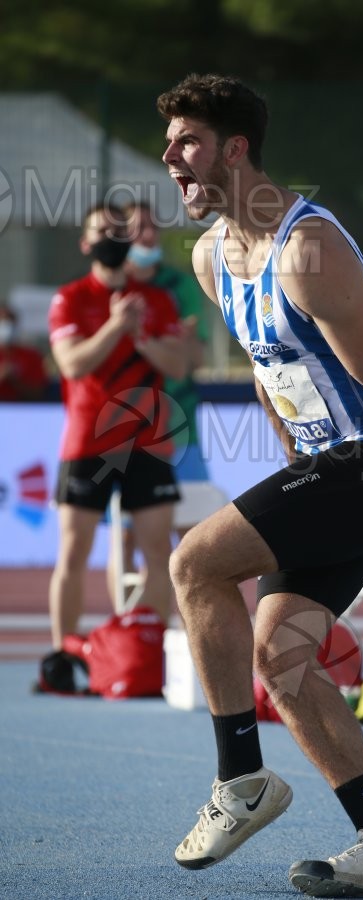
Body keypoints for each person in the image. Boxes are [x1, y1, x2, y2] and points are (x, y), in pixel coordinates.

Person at [159, 74, 363, 898]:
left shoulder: (309, 249)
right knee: (283, 662)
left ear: (235, 149)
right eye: (169, 142)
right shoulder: (212, 257)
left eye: (187, 142)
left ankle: (239, 781)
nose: (170, 157)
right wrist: (290, 467)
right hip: (325, 471)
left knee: (193, 564)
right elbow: (266, 371)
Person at [40, 202, 185, 693]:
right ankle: (64, 655)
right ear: (85, 243)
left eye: (118, 231)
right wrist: (116, 326)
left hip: (148, 440)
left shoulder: (156, 300)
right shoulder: (70, 298)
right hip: (88, 441)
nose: (111, 238)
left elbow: (181, 364)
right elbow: (73, 364)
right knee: (74, 549)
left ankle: (146, 650)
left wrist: (141, 335)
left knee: (157, 552)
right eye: (101, 231)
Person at [105, 201, 227, 608]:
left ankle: (188, 622)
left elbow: (193, 358)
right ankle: (125, 625)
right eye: (138, 229)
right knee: (124, 533)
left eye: (152, 227)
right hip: (124, 430)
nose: (149, 236)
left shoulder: (178, 285)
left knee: (192, 533)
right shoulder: (109, 287)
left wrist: (174, 342)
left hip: (180, 426)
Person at [0, 302, 50, 401]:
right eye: (2, 322)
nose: (6, 326)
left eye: (10, 322)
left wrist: (15, 381)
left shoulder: (32, 355)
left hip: (23, 411)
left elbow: (38, 394)